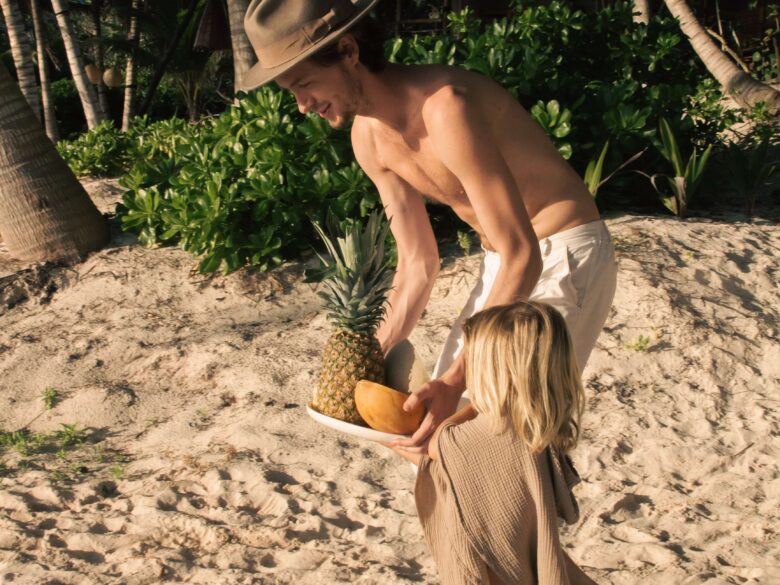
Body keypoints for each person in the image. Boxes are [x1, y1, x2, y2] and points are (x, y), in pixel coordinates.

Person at [239, 0, 618, 453]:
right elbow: (418, 262)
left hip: (564, 254)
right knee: (434, 431)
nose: (302, 106)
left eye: (304, 84)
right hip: (504, 263)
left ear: (348, 50)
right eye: (291, 92)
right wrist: (366, 359)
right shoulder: (368, 139)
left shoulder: (446, 108)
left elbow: (525, 253)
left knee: (503, 437)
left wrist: (458, 379)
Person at [392, 301, 598, 584]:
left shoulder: (478, 434)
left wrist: (474, 405)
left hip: (490, 572)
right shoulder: (534, 423)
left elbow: (439, 446)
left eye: (475, 363)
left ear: (496, 371)